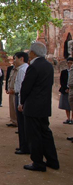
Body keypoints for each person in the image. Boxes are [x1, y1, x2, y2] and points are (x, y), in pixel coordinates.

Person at [19, 42, 59, 172]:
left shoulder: (34, 66)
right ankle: (52, 160)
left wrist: (22, 102)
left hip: (33, 106)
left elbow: (26, 87)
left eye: (30, 51)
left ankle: (38, 162)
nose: (29, 53)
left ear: (33, 53)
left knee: (34, 135)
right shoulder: (48, 65)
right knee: (45, 132)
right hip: (44, 105)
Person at [13, 52, 30, 155]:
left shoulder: (23, 70)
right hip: (19, 97)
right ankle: (23, 145)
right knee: (21, 124)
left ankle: (25, 147)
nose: (14, 60)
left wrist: (20, 103)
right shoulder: (23, 69)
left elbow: (22, 89)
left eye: (15, 58)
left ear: (21, 59)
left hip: (20, 98)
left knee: (22, 124)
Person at [59, 57, 73, 124]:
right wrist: (65, 88)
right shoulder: (64, 72)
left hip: (72, 90)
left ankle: (72, 119)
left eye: (71, 63)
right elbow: (62, 81)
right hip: (65, 90)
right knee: (66, 105)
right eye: (68, 63)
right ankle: (68, 118)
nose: (69, 64)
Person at [5, 61, 17, 127]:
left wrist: (15, 90)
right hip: (11, 90)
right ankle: (13, 121)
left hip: (16, 91)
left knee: (16, 106)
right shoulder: (12, 69)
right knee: (12, 106)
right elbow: (8, 79)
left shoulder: (22, 70)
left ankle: (18, 122)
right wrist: (7, 88)